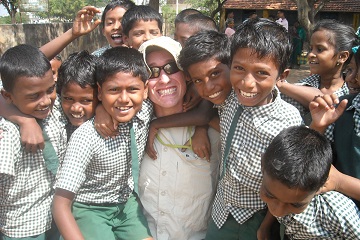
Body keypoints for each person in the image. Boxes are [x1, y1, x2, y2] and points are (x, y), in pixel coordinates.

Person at [203, 18, 303, 240]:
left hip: (258, 217)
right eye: (239, 68)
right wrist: (200, 129)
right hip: (221, 210)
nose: (247, 83)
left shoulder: (288, 119)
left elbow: (286, 181)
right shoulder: (229, 99)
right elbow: (202, 100)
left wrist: (267, 225)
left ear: (282, 76)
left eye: (261, 73)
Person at [52, 47, 153, 240]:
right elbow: (60, 203)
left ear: (145, 90)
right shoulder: (86, 137)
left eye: (132, 89)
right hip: (90, 208)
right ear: (100, 92)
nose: (124, 99)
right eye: (114, 90)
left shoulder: (144, 110)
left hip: (126, 204)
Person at [137, 36, 220, 240]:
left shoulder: (215, 132)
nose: (164, 79)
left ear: (186, 75)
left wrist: (202, 122)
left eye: (171, 67)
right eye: (153, 72)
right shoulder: (133, 130)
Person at [0, 44, 67, 239]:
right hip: (23, 228)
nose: (46, 101)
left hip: (55, 220)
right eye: (34, 96)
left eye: (50, 90)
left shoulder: (54, 113)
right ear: (7, 96)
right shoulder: (8, 134)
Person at [259, 126, 360, 239]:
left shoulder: (338, 212)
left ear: (321, 185)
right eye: (269, 195)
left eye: (295, 204)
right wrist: (265, 227)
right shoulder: (274, 178)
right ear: (262, 165)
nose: (278, 212)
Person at [309, 42, 360, 207]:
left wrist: (339, 181)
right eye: (350, 70)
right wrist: (318, 127)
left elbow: (334, 178)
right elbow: (307, 158)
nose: (352, 78)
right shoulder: (345, 108)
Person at [278, 19, 356, 124]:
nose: (310, 55)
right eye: (311, 49)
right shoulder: (302, 85)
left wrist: (282, 85)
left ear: (342, 56)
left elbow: (323, 100)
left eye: (320, 49)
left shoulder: (351, 92)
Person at [178, 30, 232, 132]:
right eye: (198, 81)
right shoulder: (223, 103)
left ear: (231, 64)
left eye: (215, 74)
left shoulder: (247, 102)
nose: (208, 87)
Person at [56, 50, 99, 139]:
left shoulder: (105, 122)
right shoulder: (56, 114)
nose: (76, 108)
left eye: (86, 100)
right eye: (68, 98)